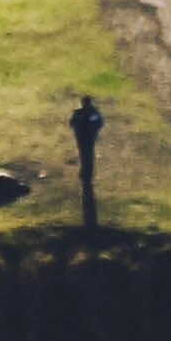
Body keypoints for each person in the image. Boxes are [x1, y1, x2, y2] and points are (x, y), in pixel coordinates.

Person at [69, 91, 104, 234]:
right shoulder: (84, 113)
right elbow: (72, 123)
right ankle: (86, 172)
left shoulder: (88, 113)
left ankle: (86, 173)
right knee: (85, 155)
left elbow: (99, 123)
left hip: (88, 138)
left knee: (87, 155)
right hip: (83, 138)